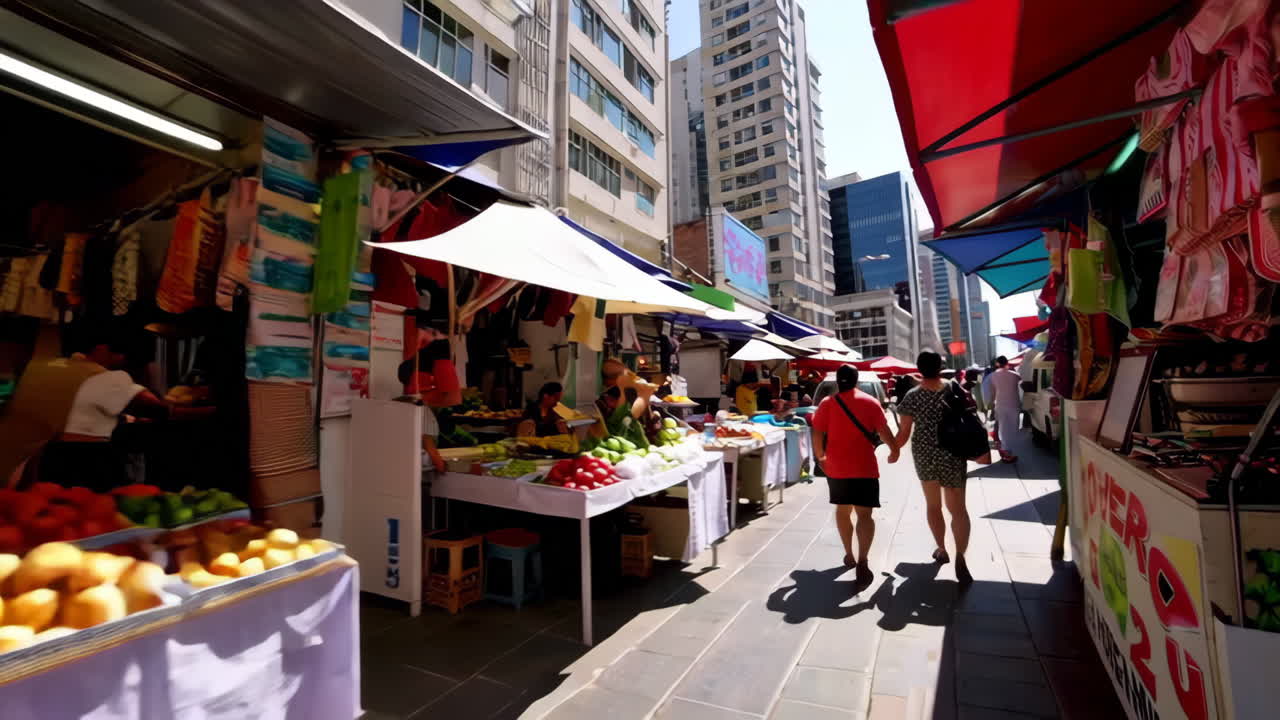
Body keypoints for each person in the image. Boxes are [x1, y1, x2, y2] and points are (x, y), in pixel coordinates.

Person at [0, 323, 213, 491]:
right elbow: (159, 411)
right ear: (101, 349)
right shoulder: (102, 376)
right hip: (78, 463)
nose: (121, 360)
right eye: (119, 354)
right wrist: (215, 412)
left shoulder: (41, 366)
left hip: (22, 460)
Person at [811, 365, 899, 584]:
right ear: (856, 380)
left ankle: (849, 554)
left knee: (843, 511)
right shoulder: (870, 402)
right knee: (865, 515)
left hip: (836, 468)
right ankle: (863, 559)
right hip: (864, 468)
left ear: (837, 382)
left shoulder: (827, 403)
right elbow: (884, 431)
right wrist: (894, 449)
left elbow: (817, 432)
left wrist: (820, 457)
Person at [895, 351, 973, 584]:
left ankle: (941, 548)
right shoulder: (954, 389)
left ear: (919, 369)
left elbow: (903, 434)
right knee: (958, 509)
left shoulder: (912, 396)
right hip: (953, 452)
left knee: (933, 505)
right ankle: (961, 556)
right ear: (940, 367)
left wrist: (892, 449)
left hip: (925, 454)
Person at [595, 358, 660, 448]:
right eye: (622, 375)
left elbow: (651, 427)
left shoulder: (632, 394)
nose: (630, 376)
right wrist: (643, 395)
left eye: (628, 373)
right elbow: (621, 428)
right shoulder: (603, 402)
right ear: (609, 381)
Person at [989, 355, 1023, 463]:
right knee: (1013, 429)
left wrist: (991, 405)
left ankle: (1007, 452)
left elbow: (991, 392)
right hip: (1014, 405)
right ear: (1007, 363)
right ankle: (1009, 452)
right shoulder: (1015, 375)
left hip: (1000, 405)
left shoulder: (992, 376)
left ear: (997, 364)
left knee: (1003, 429)